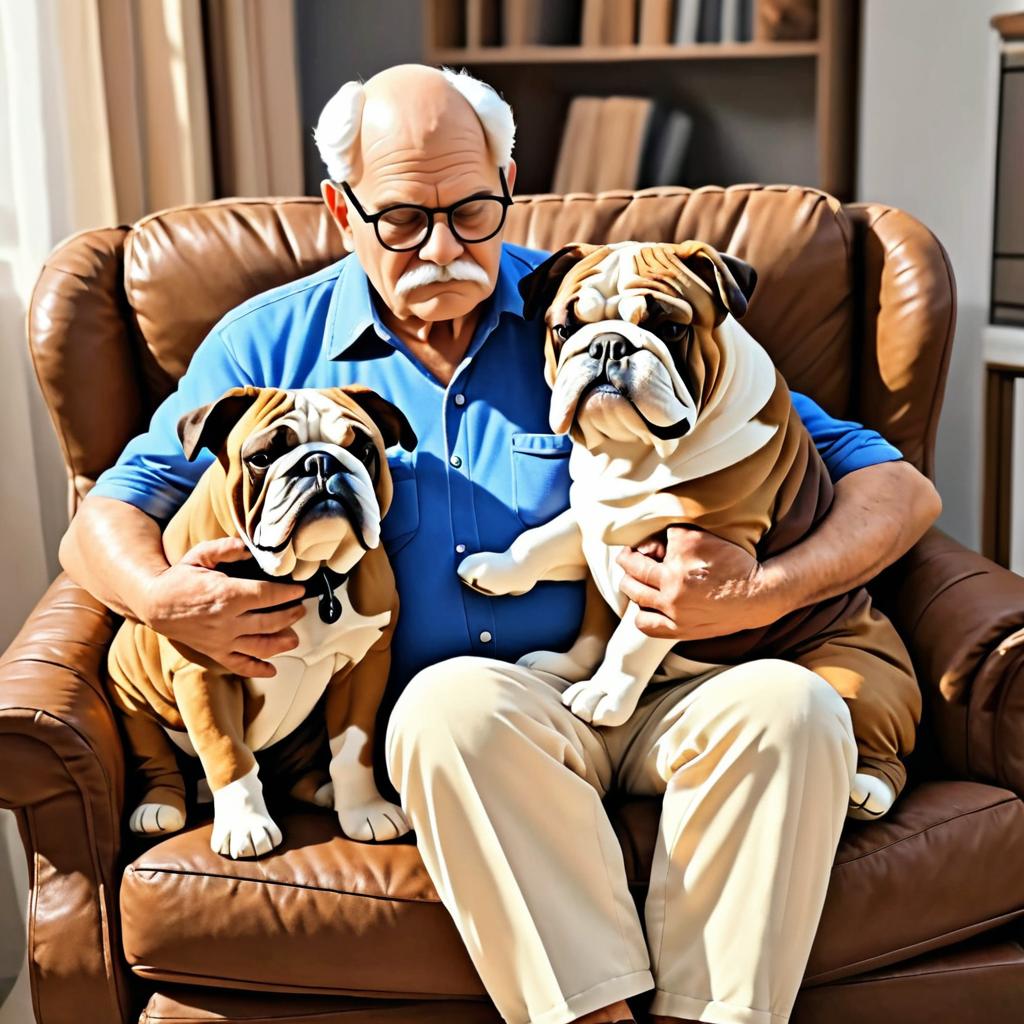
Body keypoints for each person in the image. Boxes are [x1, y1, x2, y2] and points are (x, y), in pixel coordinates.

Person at [59, 64, 942, 1024]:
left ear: (509, 183)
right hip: (493, 715)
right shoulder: (266, 346)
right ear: (339, 208)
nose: (443, 246)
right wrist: (162, 599)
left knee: (795, 707)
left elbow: (895, 486)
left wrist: (764, 590)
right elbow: (108, 513)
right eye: (401, 218)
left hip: (679, 680)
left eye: (473, 209)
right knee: (449, 709)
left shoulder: (597, 306)